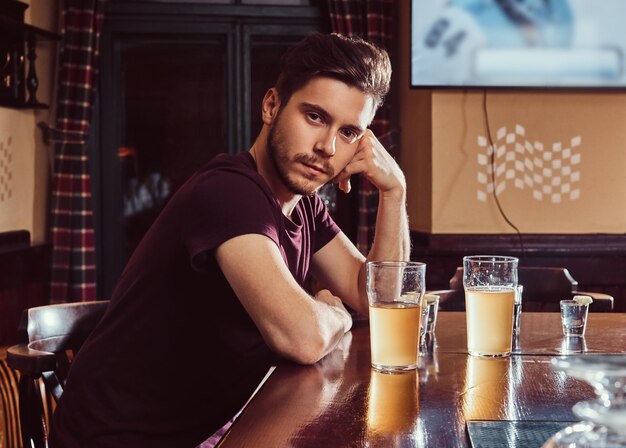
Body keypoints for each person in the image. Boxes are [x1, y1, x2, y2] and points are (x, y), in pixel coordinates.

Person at [49, 32, 410, 448]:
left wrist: (394, 191)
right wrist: (337, 314)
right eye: (314, 116)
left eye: (348, 133)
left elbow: (380, 298)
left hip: (202, 433)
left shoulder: (305, 206)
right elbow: (302, 337)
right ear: (271, 105)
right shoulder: (228, 193)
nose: (327, 147)